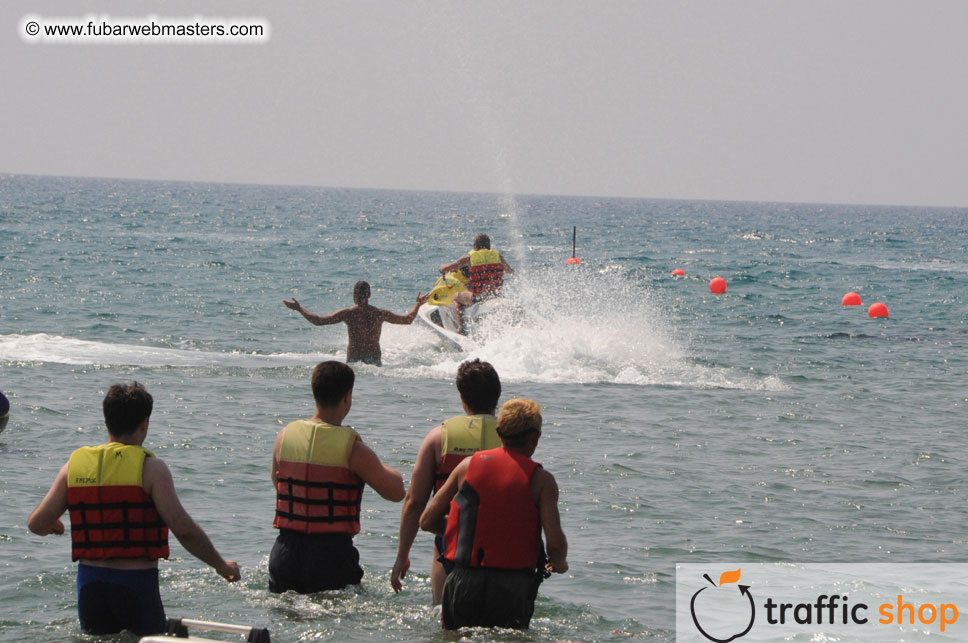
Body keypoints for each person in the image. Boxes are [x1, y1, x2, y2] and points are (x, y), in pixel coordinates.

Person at [27, 382, 240, 637]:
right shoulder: (152, 469)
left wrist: (54, 524)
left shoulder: (74, 466)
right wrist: (221, 565)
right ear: (145, 424)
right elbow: (183, 529)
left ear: (106, 422)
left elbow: (36, 524)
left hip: (90, 588)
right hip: (135, 587)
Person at [419, 398, 568, 630]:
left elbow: (427, 521)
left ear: (500, 433)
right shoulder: (542, 481)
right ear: (535, 437)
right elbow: (555, 544)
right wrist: (560, 563)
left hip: (463, 583)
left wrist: (467, 529)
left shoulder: (467, 466)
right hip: (511, 588)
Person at [269, 360, 405, 593]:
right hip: (332, 558)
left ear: (315, 393)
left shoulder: (284, 437)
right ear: (347, 397)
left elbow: (277, 483)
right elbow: (396, 492)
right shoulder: (353, 449)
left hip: (285, 555)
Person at [390, 358, 502, 604]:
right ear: (498, 396)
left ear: (462, 399)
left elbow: (415, 502)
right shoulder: (514, 438)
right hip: (503, 555)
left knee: (446, 625)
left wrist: (402, 556)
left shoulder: (438, 438)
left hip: (451, 550)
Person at [283, 281, 429, 366]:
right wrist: (417, 304)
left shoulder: (349, 314)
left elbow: (319, 321)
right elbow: (407, 320)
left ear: (354, 296)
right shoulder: (379, 313)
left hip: (354, 362)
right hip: (374, 361)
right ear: (369, 295)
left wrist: (299, 309)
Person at [439, 234, 514, 335]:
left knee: (456, 297)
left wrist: (442, 268)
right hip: (496, 295)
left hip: (480, 297)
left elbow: (447, 268)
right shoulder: (498, 256)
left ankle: (461, 328)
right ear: (489, 246)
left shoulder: (470, 258)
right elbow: (510, 271)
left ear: (475, 246)